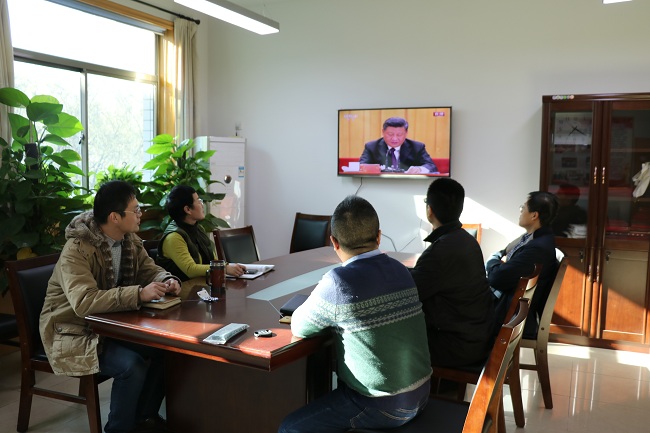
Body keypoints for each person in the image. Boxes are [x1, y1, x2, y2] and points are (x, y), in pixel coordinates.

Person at [278, 195, 432, 433]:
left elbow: (299, 326)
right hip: (421, 395)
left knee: (289, 427)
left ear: (334, 242)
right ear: (379, 236)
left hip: (381, 406)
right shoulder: (402, 271)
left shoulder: (338, 283)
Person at [39, 180, 182, 433]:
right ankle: (119, 429)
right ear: (115, 217)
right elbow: (84, 302)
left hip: (110, 326)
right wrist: (138, 294)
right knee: (132, 366)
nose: (141, 214)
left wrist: (166, 279)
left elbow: (150, 269)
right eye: (135, 210)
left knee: (167, 350)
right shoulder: (76, 249)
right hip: (73, 331)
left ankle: (144, 417)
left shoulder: (129, 240)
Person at [409, 178, 495, 368]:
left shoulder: (440, 251)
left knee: (388, 337)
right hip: (476, 336)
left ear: (429, 210)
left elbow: (408, 294)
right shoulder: (467, 241)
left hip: (457, 346)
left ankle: (404, 397)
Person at [486, 191, 560, 337]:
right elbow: (506, 254)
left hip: (510, 314)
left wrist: (493, 258)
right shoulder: (536, 238)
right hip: (509, 304)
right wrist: (503, 253)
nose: (520, 211)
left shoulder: (537, 248)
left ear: (534, 215)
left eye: (523, 208)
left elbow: (497, 278)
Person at [156, 185, 246, 280]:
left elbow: (213, 260)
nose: (202, 204)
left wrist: (230, 266)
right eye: (198, 201)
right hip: (182, 291)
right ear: (188, 209)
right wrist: (224, 268)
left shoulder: (198, 228)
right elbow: (190, 269)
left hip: (203, 286)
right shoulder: (174, 237)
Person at [359, 117, 438, 174]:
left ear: (406, 133)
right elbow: (362, 166)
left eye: (399, 135)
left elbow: (431, 166)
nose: (394, 138)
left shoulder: (417, 147)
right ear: (383, 132)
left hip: (408, 185)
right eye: (390, 134)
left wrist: (420, 169)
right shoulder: (371, 147)